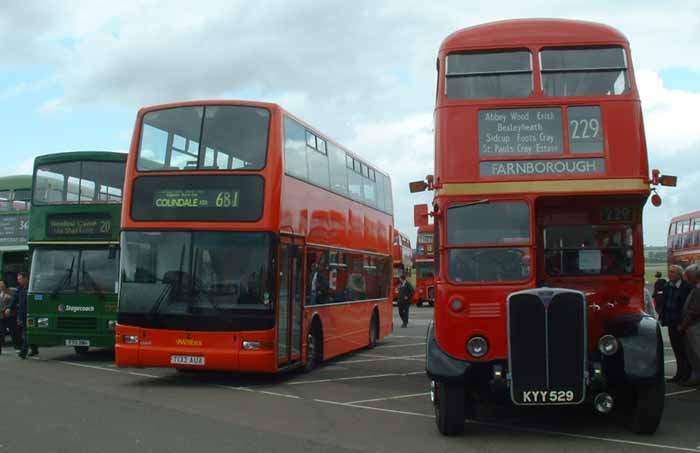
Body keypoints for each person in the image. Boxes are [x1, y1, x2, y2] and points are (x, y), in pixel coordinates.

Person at [659, 265, 693, 383]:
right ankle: (679, 374)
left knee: (686, 351)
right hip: (671, 323)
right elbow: (663, 303)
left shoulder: (687, 287)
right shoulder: (667, 286)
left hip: (683, 324)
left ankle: (686, 375)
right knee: (677, 351)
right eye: (669, 272)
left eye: (672, 272)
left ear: (679, 274)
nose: (670, 274)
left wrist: (684, 323)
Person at [678, 264, 700, 387]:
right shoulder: (695, 287)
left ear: (693, 276)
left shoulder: (698, 289)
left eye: (688, 275)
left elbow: (694, 311)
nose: (686, 278)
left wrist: (684, 325)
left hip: (694, 325)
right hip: (693, 325)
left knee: (697, 353)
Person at [9, 271, 38, 359]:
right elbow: (14, 300)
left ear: (26, 278)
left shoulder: (32, 288)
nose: (19, 281)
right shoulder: (19, 288)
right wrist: (10, 308)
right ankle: (34, 349)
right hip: (23, 314)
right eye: (18, 279)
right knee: (27, 332)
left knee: (27, 333)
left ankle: (23, 352)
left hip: (32, 313)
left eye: (20, 279)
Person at [0, 280, 15, 355]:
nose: (1, 286)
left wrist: (9, 298)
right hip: (1, 315)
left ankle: (19, 347)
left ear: (5, 285)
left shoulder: (11, 291)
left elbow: (14, 300)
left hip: (10, 315)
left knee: (13, 331)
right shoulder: (0, 293)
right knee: (1, 332)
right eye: (0, 284)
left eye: (2, 284)